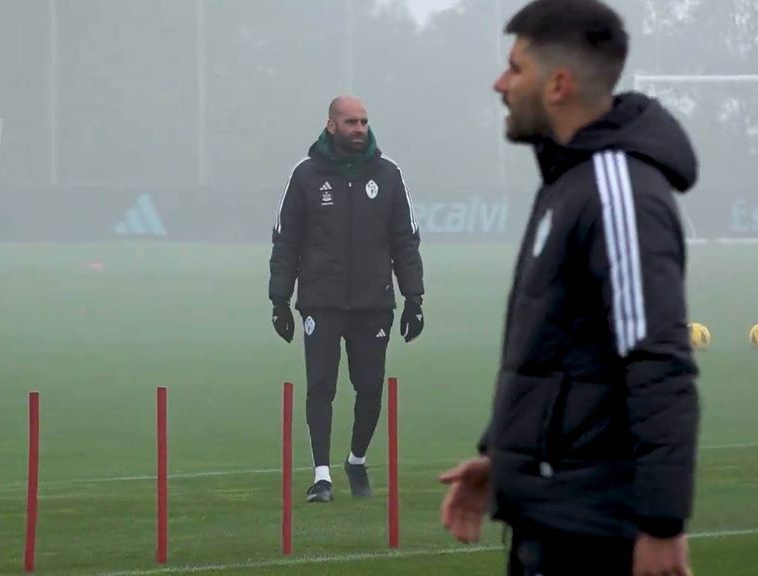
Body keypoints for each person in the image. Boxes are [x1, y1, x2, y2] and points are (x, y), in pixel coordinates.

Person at [439, 1, 700, 575]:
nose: (500, 83)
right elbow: (559, 350)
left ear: (558, 84)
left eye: (515, 68)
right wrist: (505, 460)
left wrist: (661, 525)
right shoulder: (570, 180)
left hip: (595, 538)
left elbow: (657, 359)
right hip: (551, 521)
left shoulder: (617, 189)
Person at [269, 95, 425, 503]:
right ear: (331, 125)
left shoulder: (388, 176)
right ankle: (321, 477)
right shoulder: (305, 176)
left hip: (374, 302)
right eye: (351, 122)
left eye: (364, 122)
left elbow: (405, 241)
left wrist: (414, 298)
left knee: (369, 386)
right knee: (320, 386)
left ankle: (356, 460)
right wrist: (279, 300)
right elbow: (286, 241)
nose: (359, 129)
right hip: (320, 300)